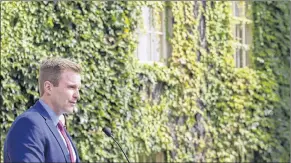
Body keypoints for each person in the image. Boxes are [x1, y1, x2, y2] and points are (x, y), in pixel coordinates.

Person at [4, 57, 82, 163]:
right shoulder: (28, 124)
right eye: (71, 87)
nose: (77, 95)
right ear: (48, 87)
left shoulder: (59, 127)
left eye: (78, 89)